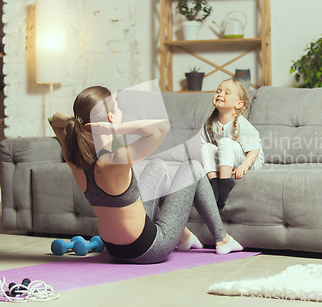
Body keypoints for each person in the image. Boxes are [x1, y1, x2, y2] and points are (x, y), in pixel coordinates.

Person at [50, 85, 243, 264]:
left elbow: (56, 119)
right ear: (110, 118)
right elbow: (161, 128)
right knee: (193, 168)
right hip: (148, 249)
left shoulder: (73, 159)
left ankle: (184, 238)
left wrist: (78, 123)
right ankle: (222, 239)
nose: (120, 112)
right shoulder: (114, 160)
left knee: (157, 166)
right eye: (116, 108)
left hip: (114, 251)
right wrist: (115, 129)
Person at [201, 79, 264, 209]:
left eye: (227, 93)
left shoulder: (241, 123)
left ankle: (224, 183)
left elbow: (254, 149)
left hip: (248, 160)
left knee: (225, 142)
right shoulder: (210, 123)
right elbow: (209, 150)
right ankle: (214, 183)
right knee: (206, 147)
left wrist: (245, 165)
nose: (220, 94)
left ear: (239, 104)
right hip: (226, 158)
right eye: (218, 91)